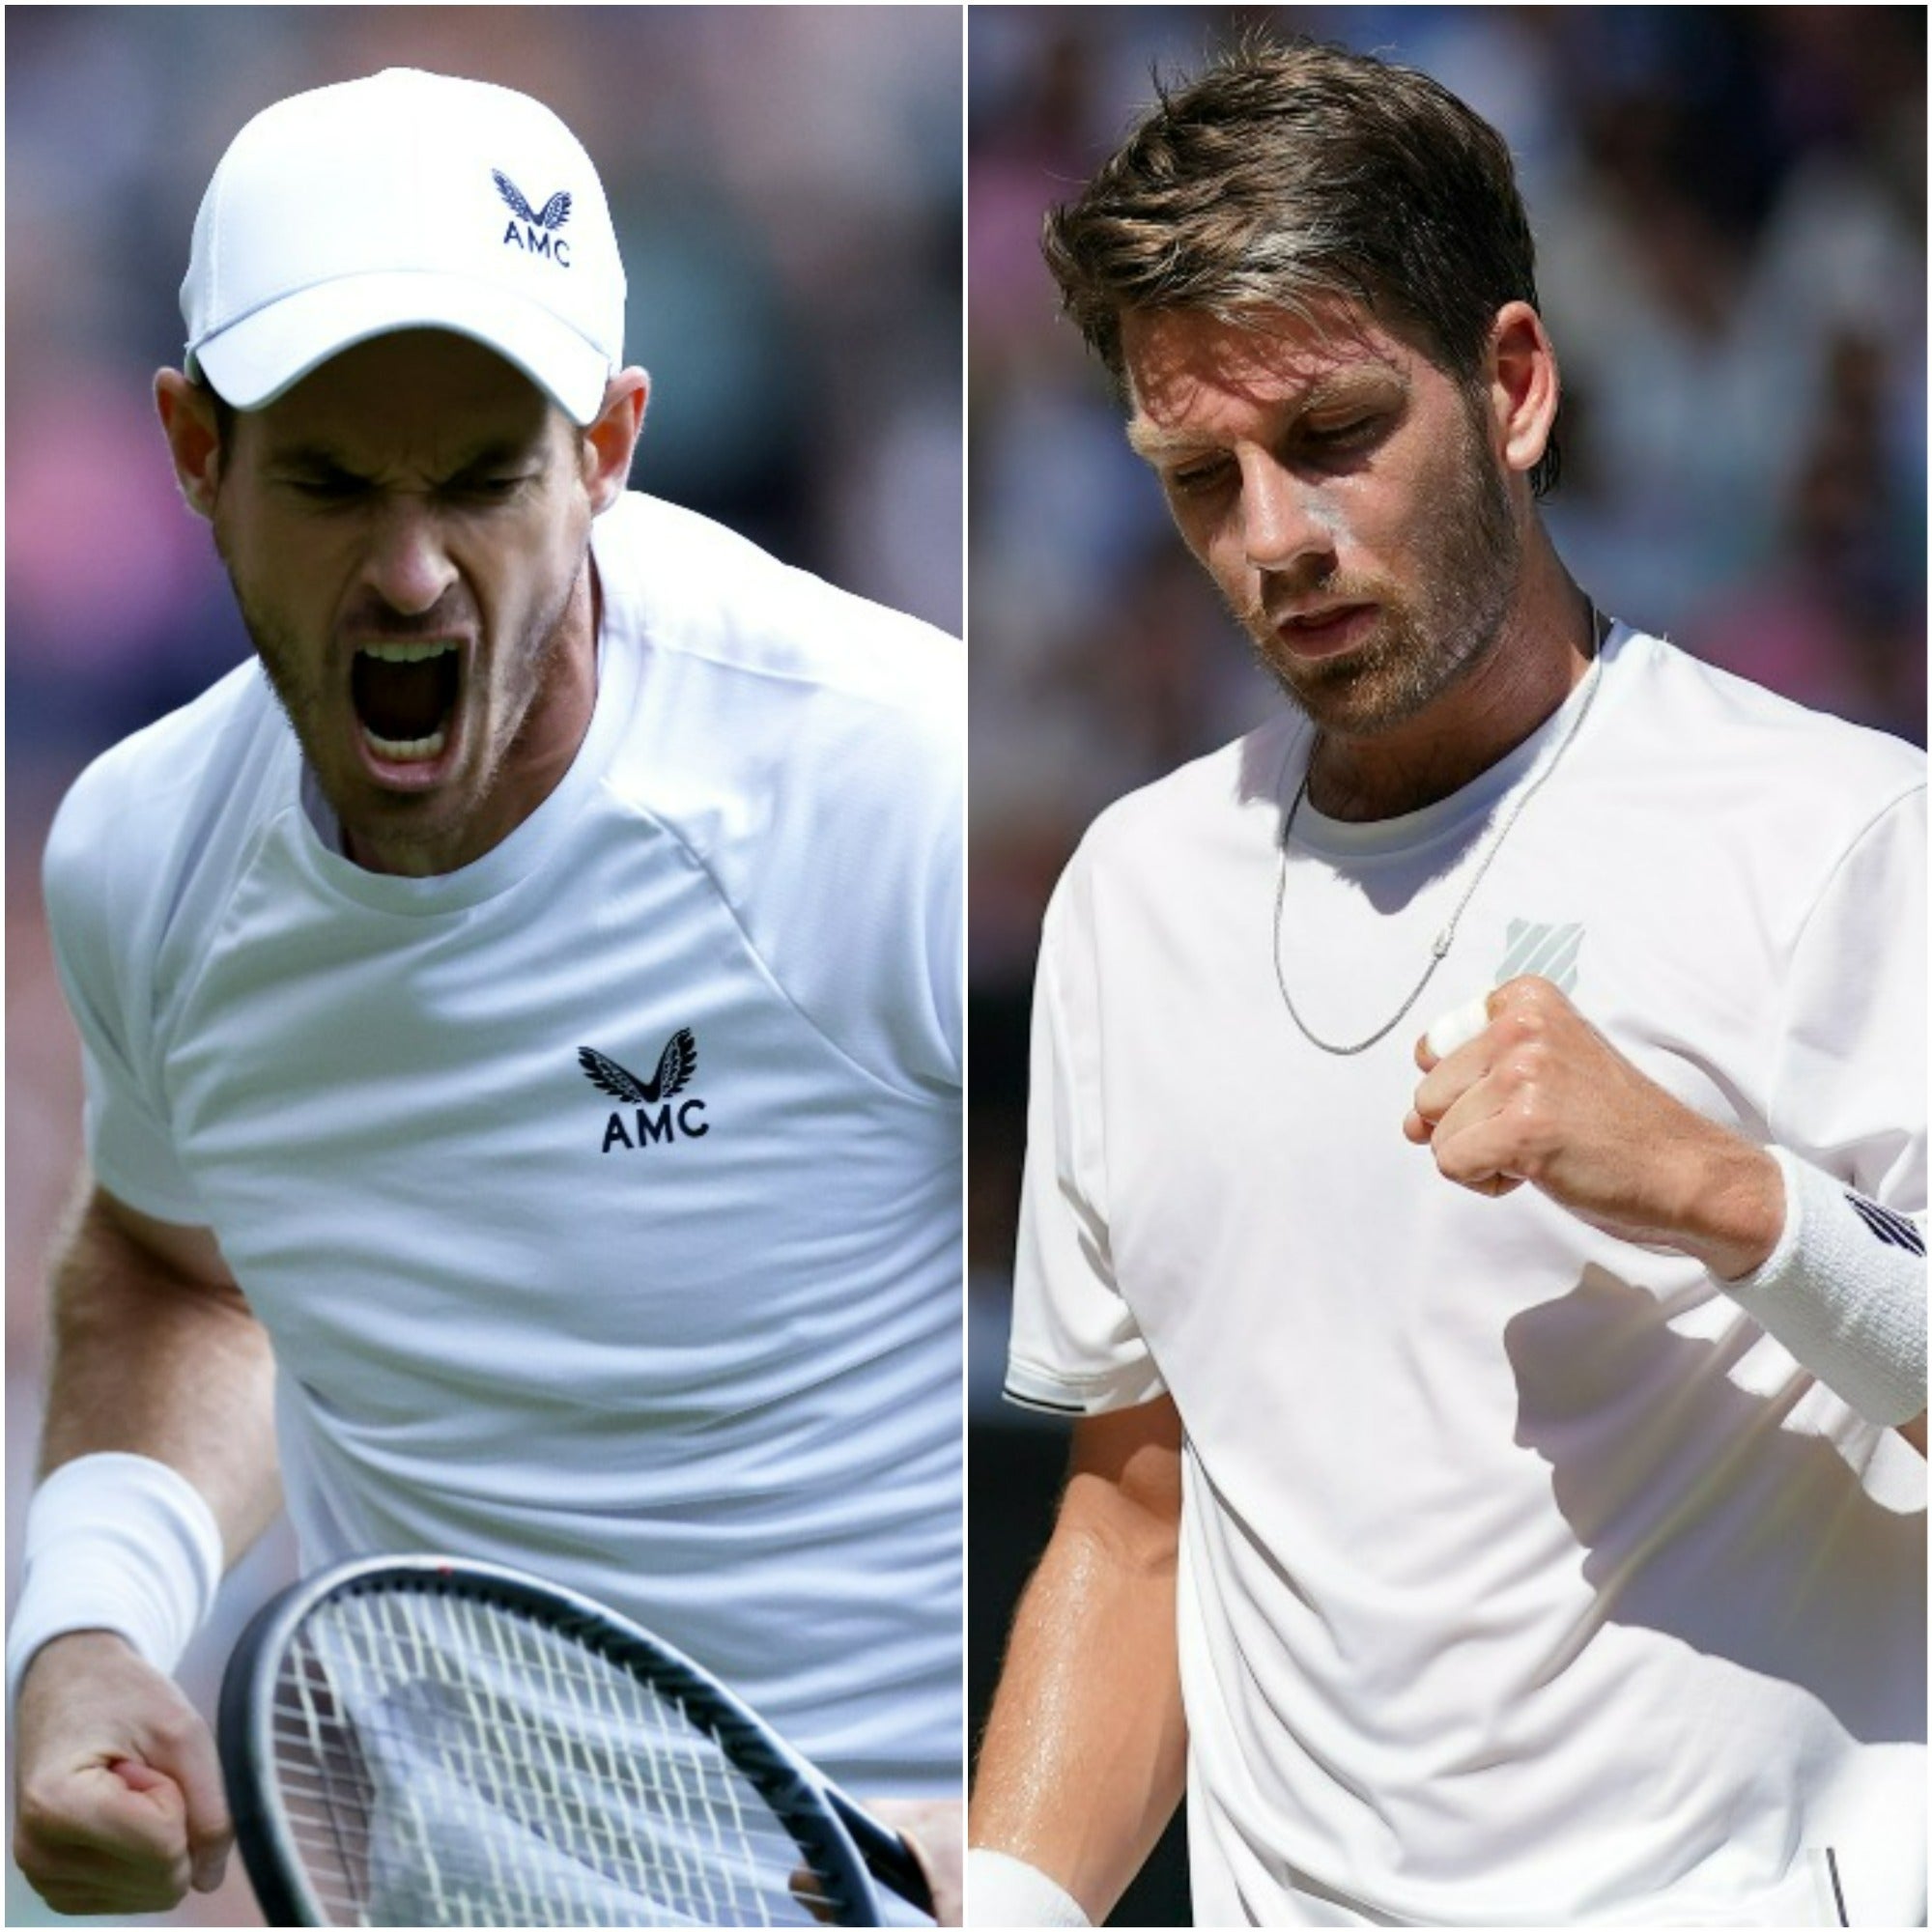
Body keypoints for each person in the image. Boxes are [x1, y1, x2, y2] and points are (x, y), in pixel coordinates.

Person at [968, 36, 1924, 1931]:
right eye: (1197, 475)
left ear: (1510, 385)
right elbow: (1139, 1515)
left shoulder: (1846, 833)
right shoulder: (1132, 894)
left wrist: (1722, 1192)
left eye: (1329, 435)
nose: (1270, 539)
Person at [10, 68, 964, 1923]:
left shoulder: (885, 782)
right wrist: (92, 1624)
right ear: (193, 453)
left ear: (608, 447)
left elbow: (1222, 1342)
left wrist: (1029, 1848)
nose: (411, 568)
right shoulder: (144, 860)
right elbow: (181, 1266)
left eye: (482, 478)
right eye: (332, 480)